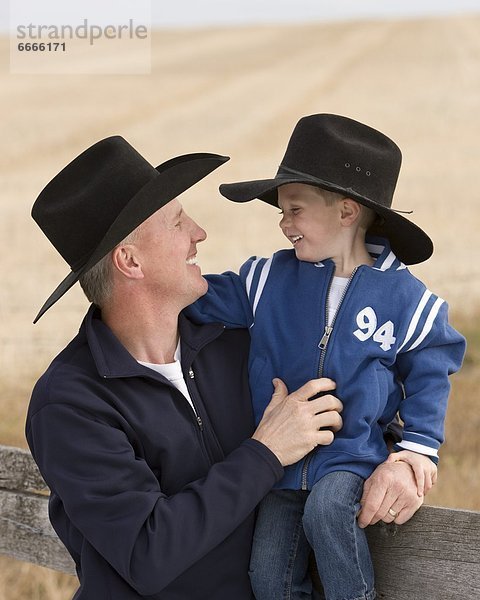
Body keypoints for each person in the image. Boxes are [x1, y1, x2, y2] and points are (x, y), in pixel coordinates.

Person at [25, 136, 345, 600]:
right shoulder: (70, 403)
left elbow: (349, 369)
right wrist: (265, 452)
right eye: (177, 222)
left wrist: (408, 452)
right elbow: (147, 552)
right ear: (129, 261)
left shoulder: (236, 337)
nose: (199, 232)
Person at [185, 114, 466, 600]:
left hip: (352, 458)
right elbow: (197, 297)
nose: (282, 222)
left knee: (327, 511)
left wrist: (417, 448)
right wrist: (154, 281)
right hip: (278, 462)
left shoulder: (405, 299)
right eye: (281, 211)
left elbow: (431, 368)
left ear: (346, 212)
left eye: (294, 209)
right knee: (268, 575)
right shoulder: (266, 278)